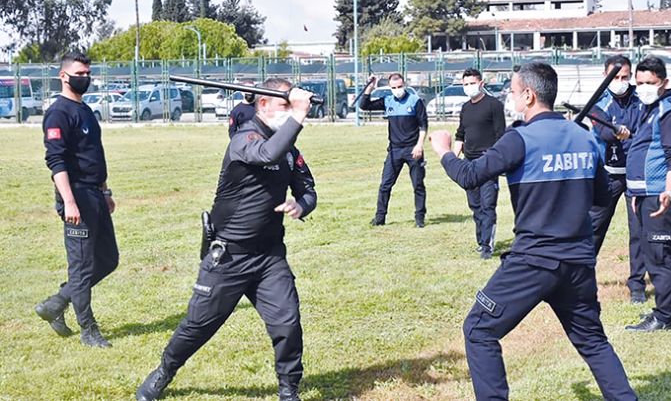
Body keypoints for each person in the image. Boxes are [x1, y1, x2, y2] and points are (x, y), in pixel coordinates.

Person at [430, 62, 636, 401]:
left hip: (534, 261)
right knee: (593, 342)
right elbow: (600, 196)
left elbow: (469, 176)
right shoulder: (583, 138)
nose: (510, 99)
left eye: (512, 93)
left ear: (528, 95)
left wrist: (443, 151)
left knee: (479, 330)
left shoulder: (519, 140)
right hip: (578, 262)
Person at [136, 79, 316, 401]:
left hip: (269, 257)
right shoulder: (244, 139)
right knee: (197, 327)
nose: (290, 112)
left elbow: (308, 191)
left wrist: (300, 205)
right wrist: (299, 115)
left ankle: (289, 391)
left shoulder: (289, 149)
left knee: (287, 323)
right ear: (262, 105)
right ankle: (164, 372)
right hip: (229, 258)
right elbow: (267, 153)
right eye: (284, 105)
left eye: (292, 106)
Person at [35, 51, 118, 348]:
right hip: (77, 196)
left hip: (95, 193)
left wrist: (106, 191)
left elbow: (96, 155)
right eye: (79, 74)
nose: (84, 78)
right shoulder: (58, 113)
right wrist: (69, 202)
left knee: (108, 260)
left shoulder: (85, 111)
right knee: (81, 267)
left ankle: (57, 302)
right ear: (63, 76)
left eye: (87, 73)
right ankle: (89, 330)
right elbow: (56, 162)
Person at [624, 55, 671, 332]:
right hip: (644, 195)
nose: (642, 87)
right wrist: (635, 194)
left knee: (660, 257)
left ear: (663, 82)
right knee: (651, 254)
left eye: (649, 82)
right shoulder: (648, 107)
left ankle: (665, 316)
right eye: (638, 82)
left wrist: (669, 191)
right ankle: (667, 311)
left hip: (660, 196)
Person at [588, 55, 646, 303]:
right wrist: (616, 132)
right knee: (592, 228)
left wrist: (627, 134)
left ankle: (637, 286)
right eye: (615, 77)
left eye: (625, 77)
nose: (620, 82)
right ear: (605, 76)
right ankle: (580, 278)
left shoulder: (643, 98)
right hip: (607, 176)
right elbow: (603, 132)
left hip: (636, 175)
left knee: (639, 231)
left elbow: (644, 131)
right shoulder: (597, 101)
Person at [360, 73, 428, 227]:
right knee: (385, 185)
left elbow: (423, 125)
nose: (397, 90)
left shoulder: (415, 101)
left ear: (405, 85)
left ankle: (419, 218)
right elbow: (364, 106)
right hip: (394, 151)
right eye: (394, 87)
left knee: (418, 184)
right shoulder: (387, 100)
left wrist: (419, 145)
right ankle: (380, 218)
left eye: (399, 87)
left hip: (413, 150)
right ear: (390, 88)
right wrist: (370, 87)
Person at [452, 68, 505, 259]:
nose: (469, 87)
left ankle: (487, 245)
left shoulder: (494, 105)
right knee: (475, 205)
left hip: (488, 163)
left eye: (472, 83)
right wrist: (452, 159)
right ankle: (480, 240)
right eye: (465, 84)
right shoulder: (465, 108)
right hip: (469, 163)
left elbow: (501, 136)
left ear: (481, 83)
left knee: (487, 205)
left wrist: (496, 159)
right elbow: (460, 135)